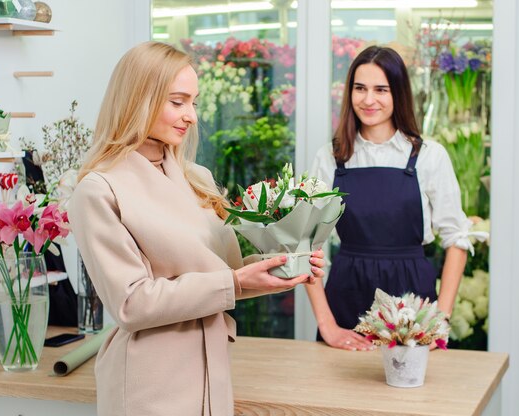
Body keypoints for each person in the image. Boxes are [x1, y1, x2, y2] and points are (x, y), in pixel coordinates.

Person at [69, 41, 325, 416]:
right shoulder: (99, 189)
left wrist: (282, 268)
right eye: (177, 102)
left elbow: (223, 275)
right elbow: (130, 303)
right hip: (150, 383)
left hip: (213, 368)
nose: (191, 116)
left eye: (194, 102)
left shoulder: (196, 178)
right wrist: (236, 282)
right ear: (138, 98)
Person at [307, 45, 477, 351]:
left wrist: (440, 320)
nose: (368, 99)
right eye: (360, 88)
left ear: (398, 94)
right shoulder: (331, 158)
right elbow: (307, 246)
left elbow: (457, 239)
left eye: (380, 90)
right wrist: (327, 326)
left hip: (412, 305)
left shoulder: (429, 157)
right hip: (346, 296)